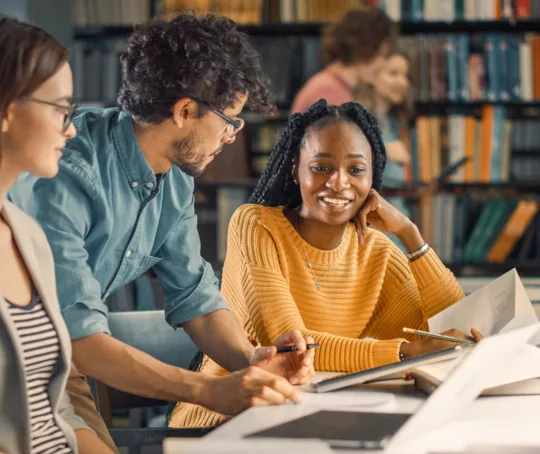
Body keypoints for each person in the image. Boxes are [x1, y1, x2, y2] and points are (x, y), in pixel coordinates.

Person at [10, 13, 314, 454]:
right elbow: (80, 342)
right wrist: (208, 391)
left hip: (62, 358)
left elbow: (197, 302)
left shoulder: (174, 181)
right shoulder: (70, 173)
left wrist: (256, 361)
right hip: (29, 361)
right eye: (230, 119)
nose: (231, 137)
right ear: (186, 111)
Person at [170, 99, 480, 429]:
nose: (338, 182)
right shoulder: (256, 226)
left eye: (356, 170)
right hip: (229, 416)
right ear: (295, 168)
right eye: (321, 167)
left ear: (373, 177)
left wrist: (410, 233)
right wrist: (404, 353)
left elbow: (448, 335)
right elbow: (293, 348)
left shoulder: (377, 251)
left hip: (312, 412)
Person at [0, 17, 143, 454]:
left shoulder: (26, 234)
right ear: (6, 110)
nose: (70, 127)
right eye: (60, 108)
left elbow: (57, 407)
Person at [354, 49, 413, 250]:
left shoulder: (395, 121)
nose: (403, 82)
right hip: (373, 219)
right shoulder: (358, 119)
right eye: (394, 73)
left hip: (397, 210)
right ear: (373, 75)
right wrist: (384, 151)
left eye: (406, 75)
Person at [290, 7, 395, 114]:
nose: (383, 63)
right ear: (364, 48)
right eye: (382, 55)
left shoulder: (334, 87)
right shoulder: (328, 92)